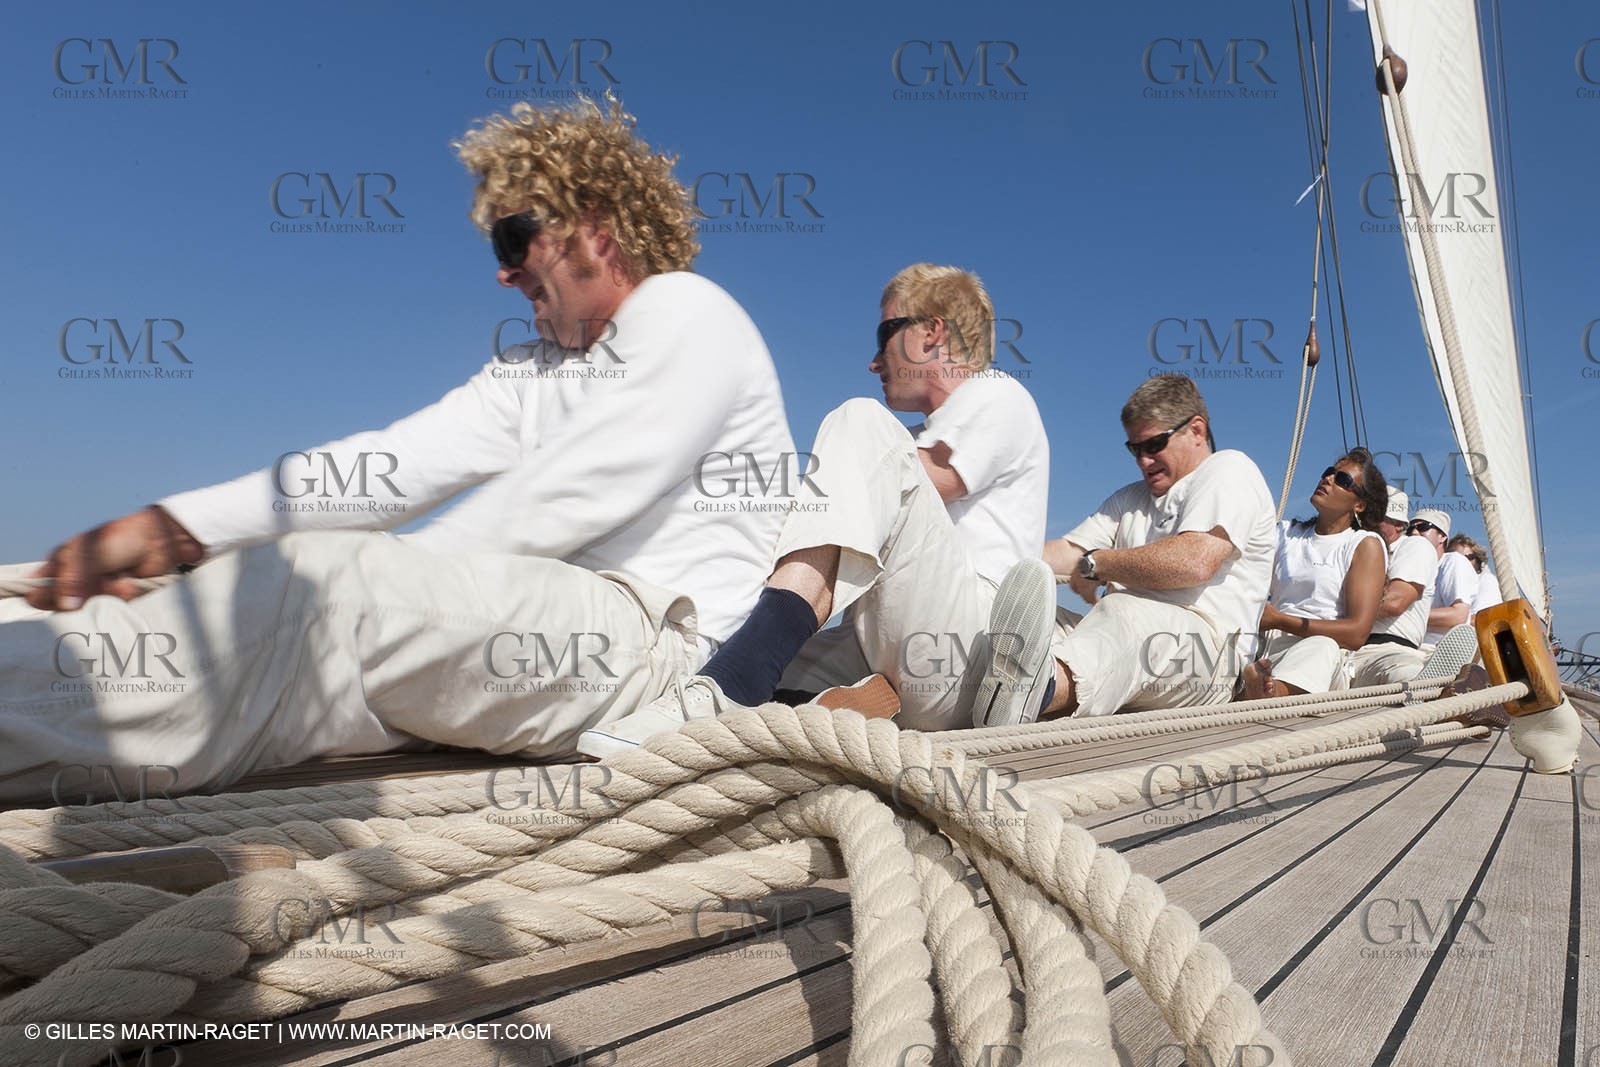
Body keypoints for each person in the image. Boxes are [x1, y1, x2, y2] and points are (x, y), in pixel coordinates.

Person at [0, 98, 796, 803]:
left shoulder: (690, 311)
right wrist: (170, 529)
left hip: (661, 656)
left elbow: (562, 496)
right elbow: (381, 468)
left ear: (600, 225)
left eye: (518, 236)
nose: (503, 270)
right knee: (256, 611)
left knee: (325, 592)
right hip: (541, 643)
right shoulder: (530, 372)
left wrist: (362, 586)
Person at [578, 264, 1051, 756]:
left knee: (859, 419)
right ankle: (711, 703)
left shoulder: (997, 393)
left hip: (972, 654)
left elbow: (940, 479)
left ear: (931, 332)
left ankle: (739, 682)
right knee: (733, 660)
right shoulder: (904, 449)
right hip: (892, 649)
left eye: (885, 332)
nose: (874, 362)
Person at [967, 374, 1277, 725]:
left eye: (1154, 445)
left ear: (1196, 431)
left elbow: (1194, 562)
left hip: (1208, 662)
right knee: (1005, 610)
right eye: (1135, 449)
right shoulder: (1130, 499)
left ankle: (1039, 691)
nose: (1143, 461)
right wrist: (976, 562)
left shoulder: (1230, 469)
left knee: (1123, 614)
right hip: (1125, 641)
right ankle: (973, 692)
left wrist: (1098, 564)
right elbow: (1068, 554)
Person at [1237, 451, 1388, 699]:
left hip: (1320, 655)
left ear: (1359, 505)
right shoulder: (1285, 533)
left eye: (1343, 479)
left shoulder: (1363, 544)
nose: (1328, 479)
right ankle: (1254, 687)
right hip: (1265, 643)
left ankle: (1270, 693)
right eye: (1329, 472)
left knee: (1322, 646)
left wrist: (1279, 620)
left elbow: (1357, 633)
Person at [1348, 488, 1439, 686]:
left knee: (1402, 675)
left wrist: (1336, 610)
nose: (1365, 522)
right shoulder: (1351, 548)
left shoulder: (1415, 546)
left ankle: (1432, 690)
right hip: (1347, 652)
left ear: (1398, 525)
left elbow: (1394, 603)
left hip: (1390, 649)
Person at [1417, 511, 1478, 649]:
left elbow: (1458, 615)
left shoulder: (1452, 562)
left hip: (1436, 653)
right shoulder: (1414, 570)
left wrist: (1410, 616)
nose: (1414, 532)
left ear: (1442, 536)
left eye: (1423, 527)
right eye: (1410, 529)